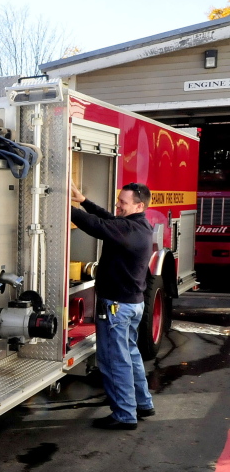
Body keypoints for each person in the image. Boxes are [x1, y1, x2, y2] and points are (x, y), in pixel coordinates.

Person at [70, 182, 156, 430]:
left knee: (113, 360)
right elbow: (108, 219)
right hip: (131, 305)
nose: (117, 205)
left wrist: (64, 206)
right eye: (118, 200)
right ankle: (143, 403)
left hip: (117, 308)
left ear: (139, 205)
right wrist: (84, 200)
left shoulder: (128, 229)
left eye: (123, 202)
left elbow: (97, 225)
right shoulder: (139, 225)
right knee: (130, 355)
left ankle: (124, 415)